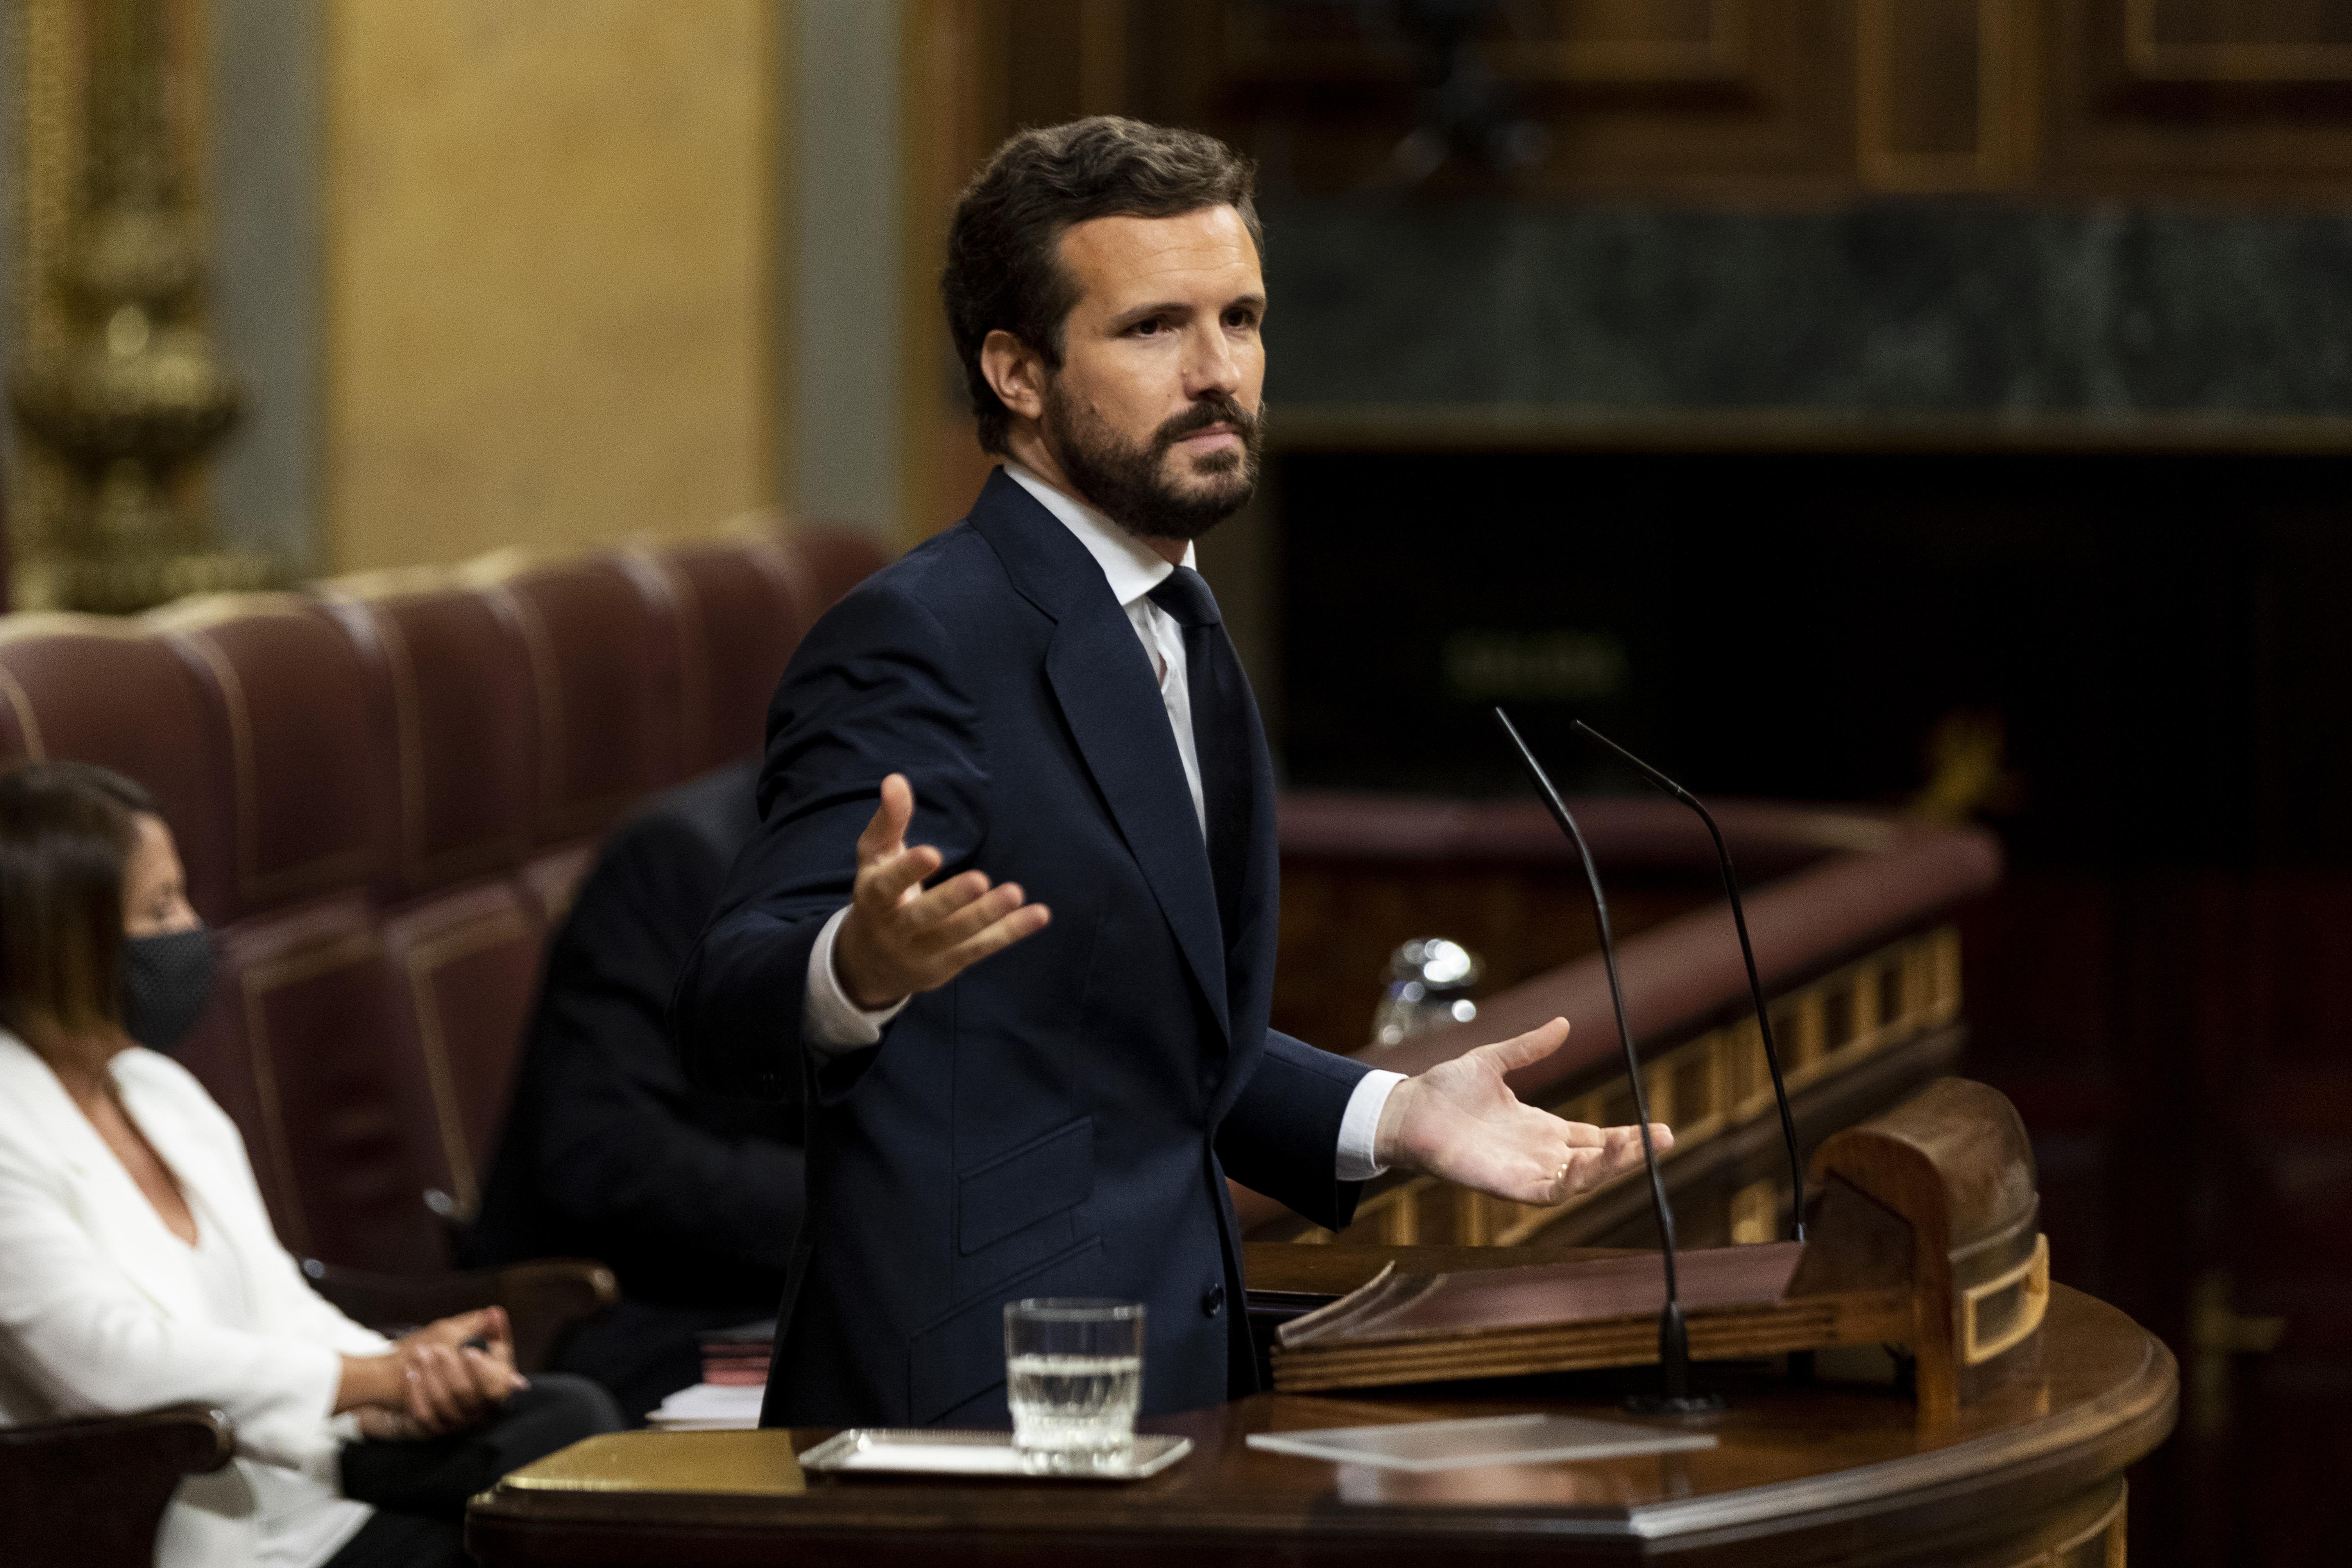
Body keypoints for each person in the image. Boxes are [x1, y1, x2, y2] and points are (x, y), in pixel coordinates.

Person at [671, 116, 1670, 1431]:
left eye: (1240, 320)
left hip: (1163, 1383)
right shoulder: (922, 637)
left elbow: (1132, 1044)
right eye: (1153, 329)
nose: (1218, 374)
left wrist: (1396, 1112)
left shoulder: (1173, 620)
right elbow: (731, 994)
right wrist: (855, 968)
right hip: (972, 1425)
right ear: (1017, 371)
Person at [0, 762, 619, 1568]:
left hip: (303, 1479)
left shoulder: (156, 1086)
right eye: (159, 908)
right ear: (62, 940)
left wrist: (414, 1381)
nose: (193, 929)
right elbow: (106, 1360)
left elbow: (278, 1301)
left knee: (567, 1423)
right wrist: (372, 1376)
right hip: (172, 1525)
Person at [467, 759, 801, 1422]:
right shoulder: (680, 857)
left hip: (805, 1297)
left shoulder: (990, 859)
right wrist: (869, 1203)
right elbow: (603, 1151)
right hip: (639, 1317)